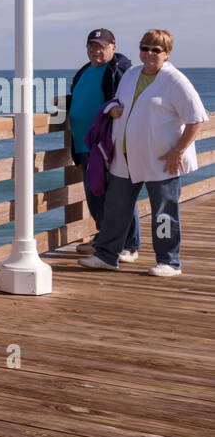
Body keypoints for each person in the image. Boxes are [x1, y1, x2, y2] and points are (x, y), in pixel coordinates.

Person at [80, 29, 207, 276]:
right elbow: (119, 101)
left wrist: (178, 151)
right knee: (117, 208)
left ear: (167, 54)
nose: (149, 54)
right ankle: (107, 255)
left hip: (162, 159)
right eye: (145, 48)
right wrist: (113, 108)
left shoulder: (175, 81)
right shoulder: (130, 74)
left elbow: (197, 119)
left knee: (163, 213)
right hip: (125, 156)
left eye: (156, 50)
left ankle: (169, 261)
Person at [56, 29, 137, 259]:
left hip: (108, 145)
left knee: (119, 195)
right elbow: (90, 97)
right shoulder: (85, 70)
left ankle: (129, 245)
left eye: (101, 46)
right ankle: (106, 239)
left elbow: (126, 103)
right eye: (92, 46)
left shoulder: (120, 70)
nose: (96, 51)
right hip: (85, 145)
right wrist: (66, 102)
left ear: (113, 46)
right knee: (96, 195)